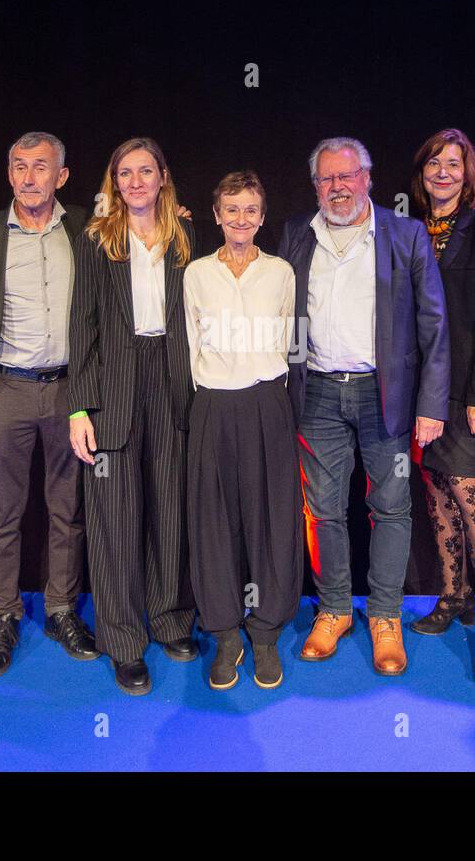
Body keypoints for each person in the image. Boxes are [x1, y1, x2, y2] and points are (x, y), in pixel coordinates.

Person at [280, 136, 450, 676]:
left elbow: (434, 325)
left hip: (387, 395)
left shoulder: (405, 235)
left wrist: (431, 404)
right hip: (319, 395)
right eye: (327, 179)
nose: (338, 187)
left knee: (392, 508)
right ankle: (333, 610)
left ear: (368, 179)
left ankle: (384, 616)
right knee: (323, 509)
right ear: (315, 186)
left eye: (347, 176)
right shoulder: (294, 236)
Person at [0, 132, 98, 678]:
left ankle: (62, 609)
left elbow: (146, 228)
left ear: (61, 176)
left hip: (69, 391)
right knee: (2, 513)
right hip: (6, 389)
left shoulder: (88, 229)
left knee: (67, 511)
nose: (28, 176)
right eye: (18, 166)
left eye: (40, 167)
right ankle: (3, 615)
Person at [67, 137, 197, 696]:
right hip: (114, 388)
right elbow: (82, 327)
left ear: (163, 177)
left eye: (146, 171)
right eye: (126, 173)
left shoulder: (186, 236)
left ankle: (170, 620)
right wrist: (79, 407)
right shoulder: (98, 239)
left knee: (170, 508)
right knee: (115, 519)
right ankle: (122, 640)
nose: (136, 181)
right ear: (114, 182)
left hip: (172, 382)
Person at [184, 171, 301, 690]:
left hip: (265, 404)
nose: (240, 219)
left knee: (270, 518)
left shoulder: (280, 273)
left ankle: (266, 632)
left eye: (250, 210)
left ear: (261, 215)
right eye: (231, 210)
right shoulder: (195, 274)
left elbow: (288, 341)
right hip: (212, 404)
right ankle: (226, 633)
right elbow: (190, 346)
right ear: (216, 215)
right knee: (214, 520)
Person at [407, 129, 475, 684]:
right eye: (434, 164)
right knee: (437, 493)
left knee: (473, 500)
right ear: (422, 173)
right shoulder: (411, 231)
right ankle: (455, 598)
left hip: (466, 390)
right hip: (420, 391)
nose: (443, 172)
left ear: (468, 172)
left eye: (454, 164)